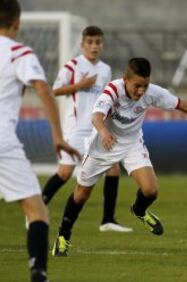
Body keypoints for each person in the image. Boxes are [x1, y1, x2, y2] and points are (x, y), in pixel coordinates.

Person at [52, 57, 187, 256]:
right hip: (103, 146)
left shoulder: (152, 92)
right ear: (125, 79)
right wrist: (103, 132)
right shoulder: (113, 90)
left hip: (131, 145)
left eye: (144, 86)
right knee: (81, 194)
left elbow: (182, 104)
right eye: (137, 86)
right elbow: (96, 116)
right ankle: (63, 235)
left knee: (150, 190)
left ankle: (139, 210)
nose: (140, 91)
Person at [0, 0, 80, 281]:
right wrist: (58, 136)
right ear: (18, 23)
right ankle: (38, 274)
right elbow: (44, 90)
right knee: (37, 211)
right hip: (3, 142)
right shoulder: (19, 52)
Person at [41, 26, 132, 233]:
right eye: (90, 42)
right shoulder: (72, 66)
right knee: (65, 173)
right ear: (82, 44)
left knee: (114, 169)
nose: (94, 46)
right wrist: (79, 85)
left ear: (102, 44)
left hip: (96, 129)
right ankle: (35, 211)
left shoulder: (105, 69)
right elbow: (52, 90)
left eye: (98, 42)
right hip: (75, 129)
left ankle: (107, 220)